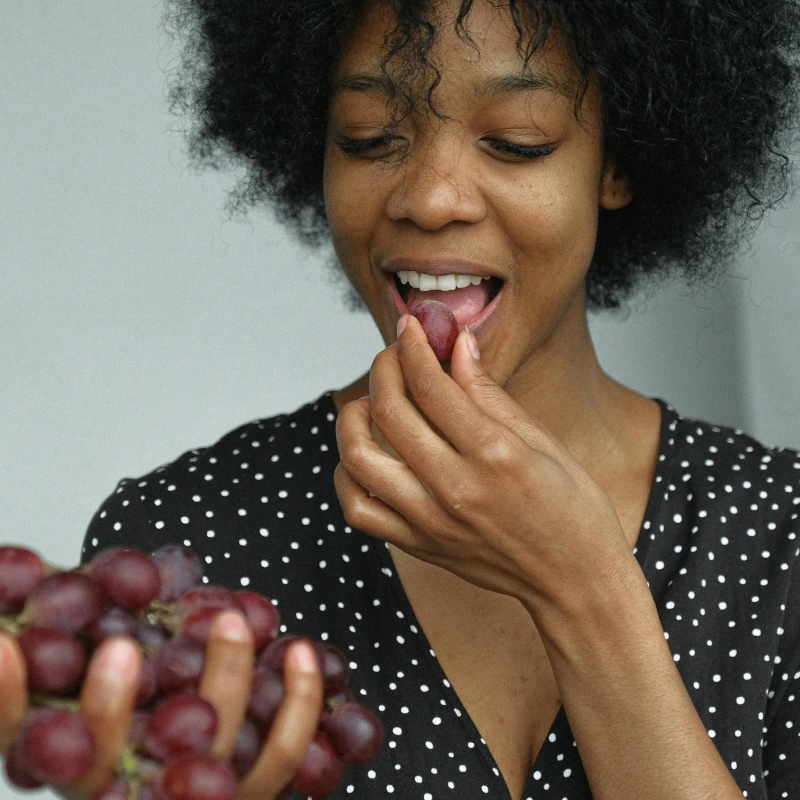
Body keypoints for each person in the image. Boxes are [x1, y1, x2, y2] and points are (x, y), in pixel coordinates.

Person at [2, 0, 800, 798]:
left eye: (516, 142)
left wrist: (584, 588)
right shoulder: (186, 539)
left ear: (617, 161)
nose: (430, 197)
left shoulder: (778, 531)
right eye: (370, 137)